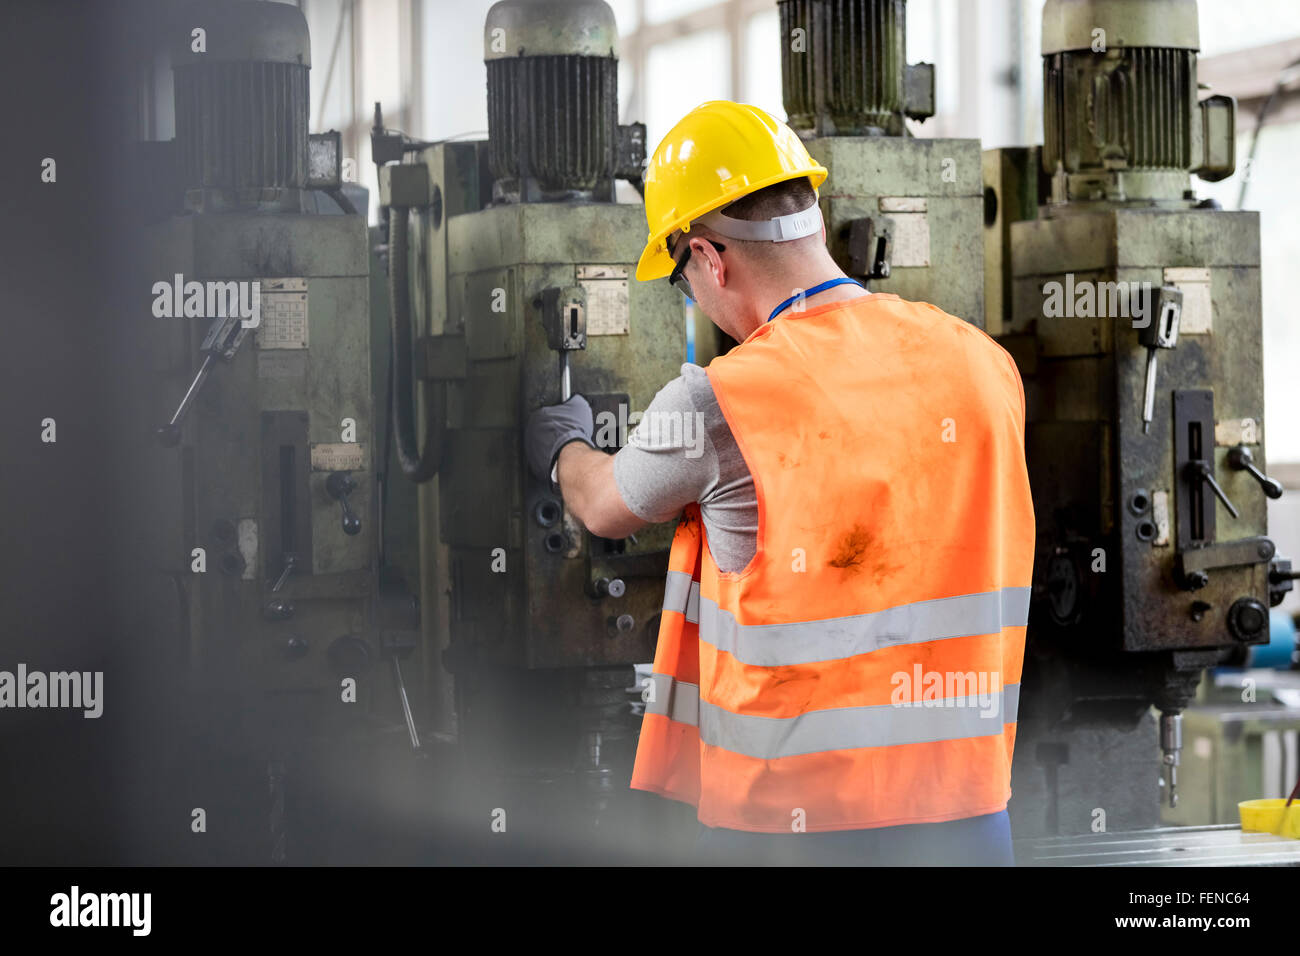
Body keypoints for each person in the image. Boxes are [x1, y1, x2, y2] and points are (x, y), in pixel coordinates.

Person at [525, 100, 1035, 866]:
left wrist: (560, 442)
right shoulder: (981, 363)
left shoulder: (721, 398)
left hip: (792, 829)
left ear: (709, 257)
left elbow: (601, 505)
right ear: (816, 222)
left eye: (682, 280)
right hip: (968, 818)